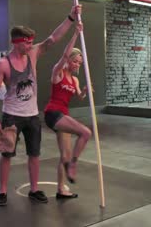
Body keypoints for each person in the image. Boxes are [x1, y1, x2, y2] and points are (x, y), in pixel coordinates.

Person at [0, 4, 82, 206]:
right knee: (6, 154)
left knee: (34, 154)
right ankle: (3, 192)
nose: (31, 45)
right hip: (11, 115)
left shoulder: (32, 54)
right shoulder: (3, 64)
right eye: (27, 43)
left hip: (32, 115)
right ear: (16, 43)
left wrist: (71, 17)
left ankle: (34, 189)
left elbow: (53, 39)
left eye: (32, 42)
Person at [44, 22, 91, 199]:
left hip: (63, 116)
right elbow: (63, 56)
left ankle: (61, 189)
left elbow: (79, 97)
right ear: (69, 60)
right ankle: (74, 164)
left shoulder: (75, 81)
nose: (77, 64)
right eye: (75, 61)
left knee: (65, 155)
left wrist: (85, 92)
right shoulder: (58, 72)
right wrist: (75, 34)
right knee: (85, 133)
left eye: (79, 62)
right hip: (53, 114)